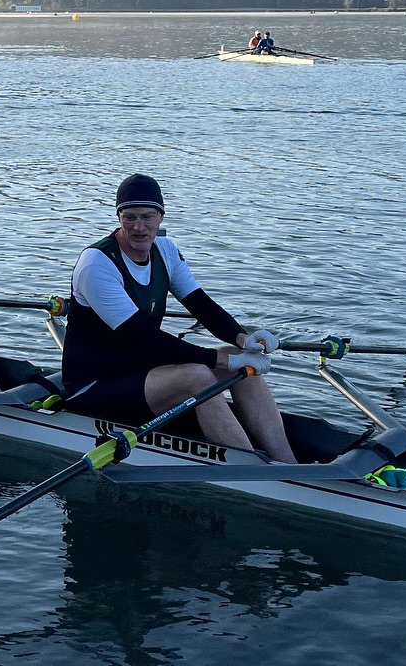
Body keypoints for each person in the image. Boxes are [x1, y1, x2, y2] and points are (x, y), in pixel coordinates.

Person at [61, 172, 295, 460]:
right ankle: (253, 471)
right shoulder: (96, 264)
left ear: (161, 217)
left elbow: (200, 304)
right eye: (130, 217)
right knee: (197, 375)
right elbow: (142, 339)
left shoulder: (165, 249)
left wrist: (243, 339)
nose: (139, 226)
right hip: (93, 387)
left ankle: (288, 463)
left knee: (237, 362)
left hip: (141, 371)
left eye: (147, 217)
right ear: (118, 217)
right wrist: (224, 360)